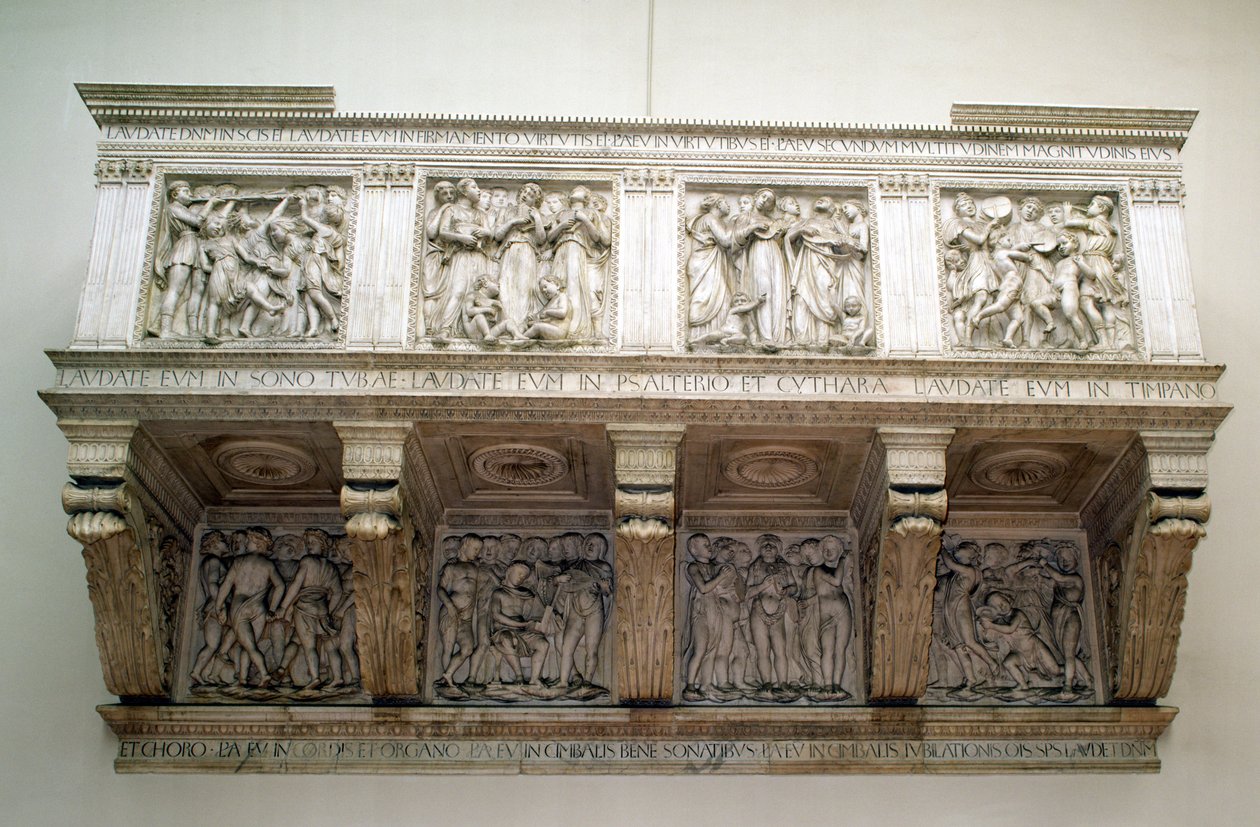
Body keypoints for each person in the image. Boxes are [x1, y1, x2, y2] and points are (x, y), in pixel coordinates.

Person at [213, 528, 285, 687]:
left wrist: (218, 606)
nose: (246, 543)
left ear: (258, 543)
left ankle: (264, 674)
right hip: (259, 607)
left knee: (250, 646)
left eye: (249, 541)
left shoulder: (239, 561)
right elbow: (280, 586)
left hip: (240, 606)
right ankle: (243, 679)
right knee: (250, 645)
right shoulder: (268, 565)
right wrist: (272, 609)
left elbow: (226, 585)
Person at [154, 181, 221, 337]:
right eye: (185, 191)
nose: (190, 194)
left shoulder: (184, 208)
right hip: (184, 247)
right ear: (175, 194)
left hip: (196, 246)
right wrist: (211, 204)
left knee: (197, 291)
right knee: (175, 290)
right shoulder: (174, 207)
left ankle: (193, 330)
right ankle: (165, 330)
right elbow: (197, 222)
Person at [545, 185, 609, 339]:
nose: (574, 191)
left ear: (586, 197)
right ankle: (556, 325)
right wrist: (561, 226)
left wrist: (585, 220)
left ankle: (575, 327)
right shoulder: (561, 213)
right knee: (559, 285)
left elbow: (598, 238)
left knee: (574, 286)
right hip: (560, 251)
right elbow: (550, 238)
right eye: (573, 190)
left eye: (579, 190)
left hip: (577, 249)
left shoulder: (591, 213)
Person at [433, 178, 491, 340]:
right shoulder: (452, 209)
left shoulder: (481, 214)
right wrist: (462, 238)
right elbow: (443, 233)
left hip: (478, 256)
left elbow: (490, 233)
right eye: (474, 187)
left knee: (477, 295)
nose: (479, 190)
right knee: (458, 291)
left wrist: (484, 232)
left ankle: (479, 331)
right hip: (461, 256)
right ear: (464, 192)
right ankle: (445, 329)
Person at [733, 188, 790, 348]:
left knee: (777, 291)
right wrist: (753, 227)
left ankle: (778, 336)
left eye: (769, 200)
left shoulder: (772, 221)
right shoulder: (746, 216)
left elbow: (779, 241)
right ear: (756, 197)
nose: (765, 200)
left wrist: (780, 235)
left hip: (775, 254)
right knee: (763, 290)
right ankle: (765, 336)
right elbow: (736, 239)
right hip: (758, 252)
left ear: (771, 206)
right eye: (764, 196)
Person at [785, 197, 844, 347]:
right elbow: (788, 238)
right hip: (806, 262)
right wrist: (801, 230)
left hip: (826, 262)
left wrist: (838, 243)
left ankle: (822, 340)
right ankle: (801, 340)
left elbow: (846, 245)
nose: (820, 200)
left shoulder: (834, 223)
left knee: (824, 297)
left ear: (832, 209)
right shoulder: (805, 222)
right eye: (818, 199)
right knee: (801, 298)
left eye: (825, 200)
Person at [492, 183, 546, 325]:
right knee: (505, 285)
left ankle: (521, 324)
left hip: (528, 250)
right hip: (509, 250)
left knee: (525, 287)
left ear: (536, 201)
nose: (525, 196)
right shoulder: (506, 211)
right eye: (524, 192)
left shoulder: (538, 215)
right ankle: (506, 324)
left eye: (531, 195)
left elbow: (541, 240)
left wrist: (537, 218)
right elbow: (497, 236)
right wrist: (513, 222)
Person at [490, 562, 552, 687]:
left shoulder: (526, 594)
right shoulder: (499, 593)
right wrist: (520, 624)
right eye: (519, 573)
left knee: (543, 644)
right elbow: (496, 615)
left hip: (523, 630)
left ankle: (534, 679)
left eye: (524, 576)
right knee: (506, 639)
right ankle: (519, 676)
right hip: (503, 629)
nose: (521, 578)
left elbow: (539, 609)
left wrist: (543, 619)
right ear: (509, 572)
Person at [686, 194, 737, 340]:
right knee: (715, 298)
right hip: (706, 264)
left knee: (719, 297)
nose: (728, 205)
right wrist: (736, 225)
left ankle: (709, 335)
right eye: (725, 202)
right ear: (718, 204)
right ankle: (703, 336)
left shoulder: (708, 219)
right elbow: (725, 240)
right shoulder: (710, 218)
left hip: (706, 262)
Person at [436, 535, 482, 685]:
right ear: (465, 546)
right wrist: (449, 605)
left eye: (479, 550)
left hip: (466, 618)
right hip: (452, 611)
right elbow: (440, 588)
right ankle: (447, 683)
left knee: (468, 648)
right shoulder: (452, 567)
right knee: (448, 648)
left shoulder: (475, 567)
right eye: (475, 549)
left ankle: (447, 675)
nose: (477, 552)